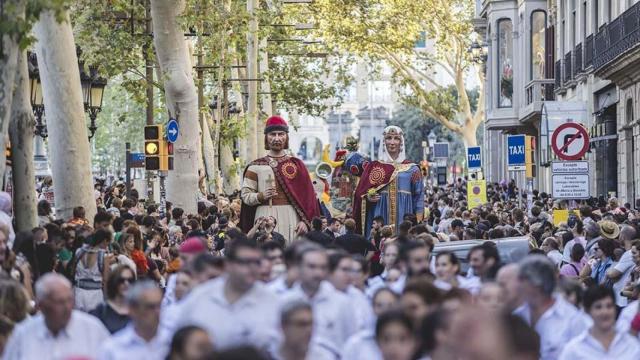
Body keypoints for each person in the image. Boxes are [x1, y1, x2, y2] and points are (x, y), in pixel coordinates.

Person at [172, 238, 280, 350]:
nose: (252, 268)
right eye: (245, 262)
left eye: (256, 262)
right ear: (228, 264)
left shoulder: (273, 301)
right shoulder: (200, 297)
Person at [239, 115, 321, 242]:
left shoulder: (297, 165)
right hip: (264, 215)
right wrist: (260, 196)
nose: (277, 138)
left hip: (291, 217)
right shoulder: (255, 166)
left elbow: (309, 199)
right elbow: (245, 196)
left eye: (281, 134)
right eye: (272, 134)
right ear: (266, 137)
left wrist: (305, 222)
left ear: (286, 137)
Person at [3, 273, 109, 359]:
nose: (67, 307)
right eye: (60, 302)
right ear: (41, 306)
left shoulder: (92, 329)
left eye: (69, 300)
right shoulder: (23, 334)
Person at [280, 242, 357, 353]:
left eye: (322, 267)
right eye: (312, 266)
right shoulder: (285, 301)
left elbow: (351, 343)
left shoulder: (342, 303)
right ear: (299, 267)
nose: (318, 273)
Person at [353, 126, 424, 238]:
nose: (392, 142)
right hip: (380, 214)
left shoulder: (412, 169)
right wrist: (368, 198)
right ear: (383, 141)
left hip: (404, 215)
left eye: (396, 138)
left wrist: (419, 222)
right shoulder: (374, 167)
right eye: (388, 138)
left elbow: (419, 196)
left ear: (401, 142)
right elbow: (359, 194)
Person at [514, 255, 589, 360]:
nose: (517, 285)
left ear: (537, 284)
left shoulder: (574, 319)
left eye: (522, 280)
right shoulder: (517, 316)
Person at [559, 285, 640, 359]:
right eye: (598, 307)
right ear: (588, 311)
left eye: (609, 306)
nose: (605, 312)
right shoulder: (574, 350)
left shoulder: (632, 346)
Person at [97, 281, 169, 359]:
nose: (157, 312)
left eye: (160, 306)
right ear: (133, 309)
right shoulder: (112, 349)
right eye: (150, 307)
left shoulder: (171, 343)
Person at [272, 300, 337, 360]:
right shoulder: (268, 355)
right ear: (283, 327)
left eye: (311, 324)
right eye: (301, 324)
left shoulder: (326, 356)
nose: (309, 330)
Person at [72, 228, 113, 312]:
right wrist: (106, 299)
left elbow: (73, 270)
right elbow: (105, 280)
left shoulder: (79, 251)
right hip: (95, 294)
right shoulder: (104, 256)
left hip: (78, 292)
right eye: (108, 242)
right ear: (105, 240)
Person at [89, 265, 135, 333]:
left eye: (130, 280)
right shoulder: (100, 312)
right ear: (115, 282)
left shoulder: (139, 311)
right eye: (121, 280)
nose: (126, 283)